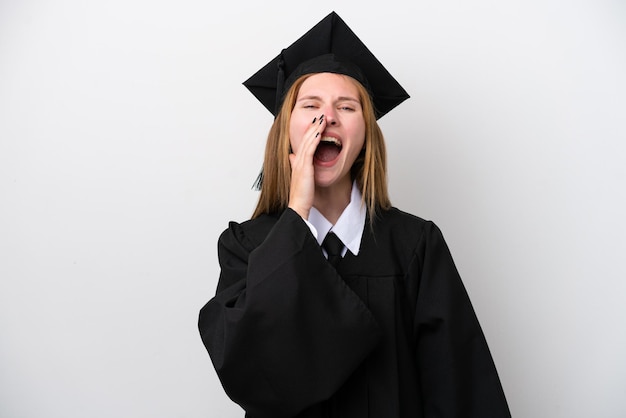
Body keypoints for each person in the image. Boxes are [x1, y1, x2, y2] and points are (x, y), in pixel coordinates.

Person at [198, 11, 511, 418]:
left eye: (346, 107)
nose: (325, 117)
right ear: (285, 130)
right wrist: (297, 212)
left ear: (365, 135)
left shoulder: (414, 246)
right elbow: (247, 370)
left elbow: (460, 390)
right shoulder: (246, 246)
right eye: (309, 105)